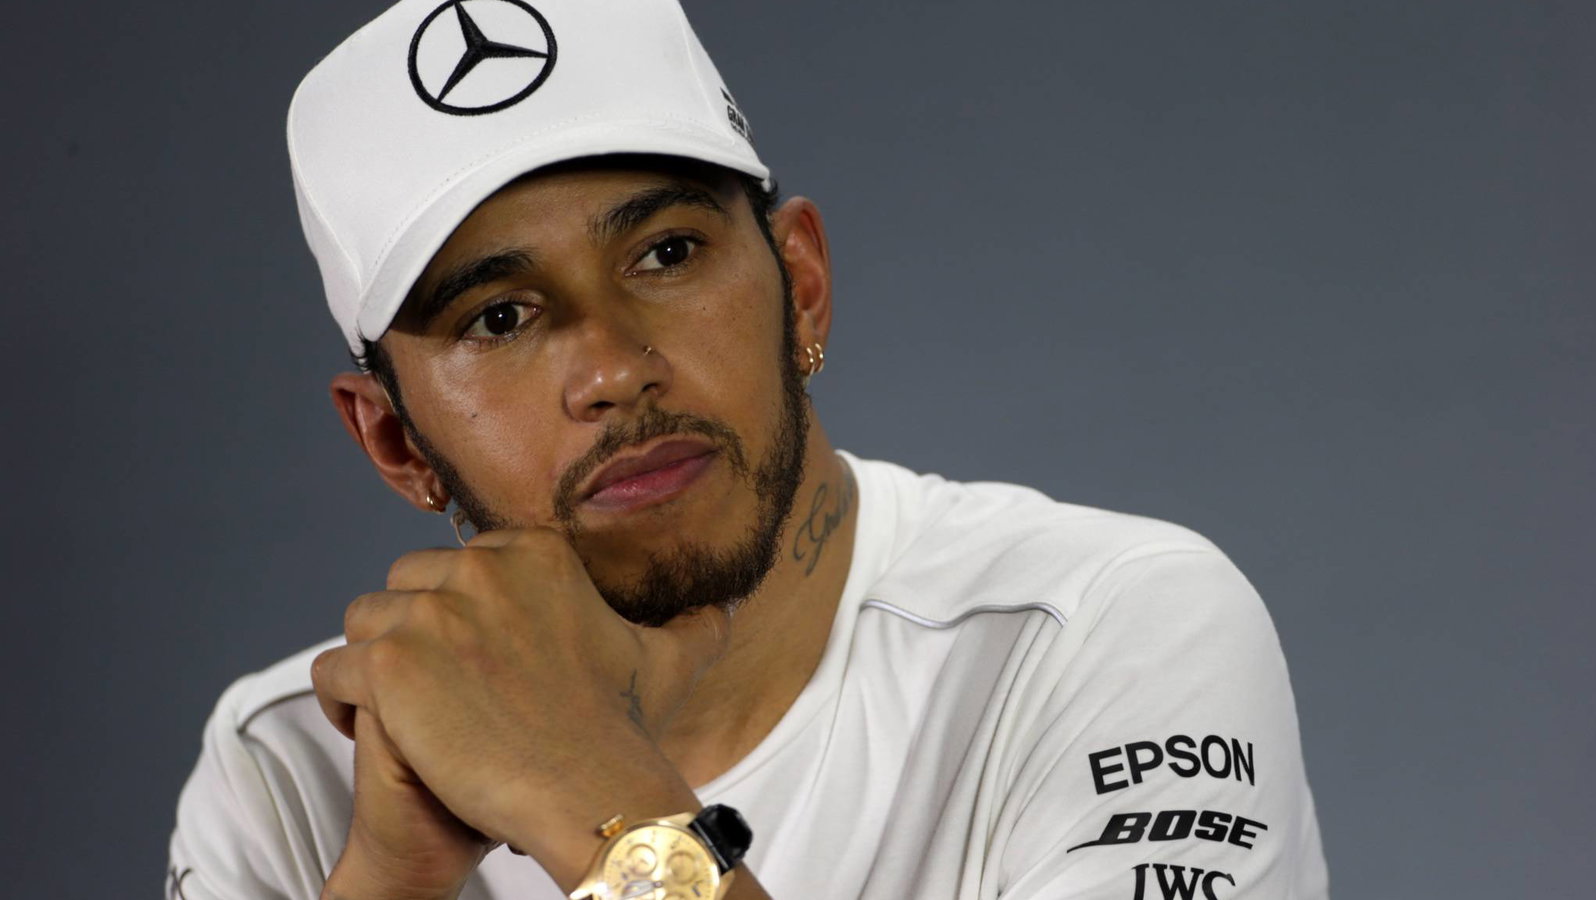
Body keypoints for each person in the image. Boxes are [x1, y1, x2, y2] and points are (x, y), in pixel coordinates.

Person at [168, 1, 1328, 898]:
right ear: (396, 443)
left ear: (801, 285)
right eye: (500, 318)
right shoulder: (289, 764)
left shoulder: (1099, 630)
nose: (613, 369)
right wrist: (391, 880)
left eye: (666, 254)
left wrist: (593, 796)